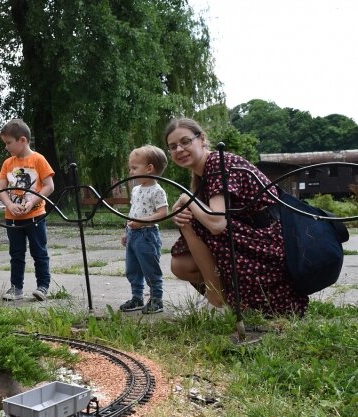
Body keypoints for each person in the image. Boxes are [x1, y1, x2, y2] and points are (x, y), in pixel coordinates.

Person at [167, 117, 308, 316]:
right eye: (173, 147)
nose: (179, 149)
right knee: (181, 263)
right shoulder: (203, 173)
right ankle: (225, 298)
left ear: (202, 139)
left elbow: (216, 223)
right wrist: (183, 210)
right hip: (255, 242)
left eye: (185, 141)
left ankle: (216, 301)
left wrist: (186, 199)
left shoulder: (217, 162)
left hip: (271, 245)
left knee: (193, 219)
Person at [0, 118, 55, 302]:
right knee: (16, 254)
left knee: (39, 252)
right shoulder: (7, 163)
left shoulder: (38, 159)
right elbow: (1, 189)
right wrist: (9, 204)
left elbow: (49, 186)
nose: (6, 147)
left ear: (23, 140)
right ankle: (16, 288)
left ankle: (43, 286)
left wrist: (31, 202)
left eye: (8, 143)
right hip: (12, 217)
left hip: (35, 215)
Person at [119, 145, 169, 314]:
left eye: (134, 168)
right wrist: (126, 230)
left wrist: (141, 222)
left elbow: (163, 213)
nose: (131, 172)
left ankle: (157, 299)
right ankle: (137, 297)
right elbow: (133, 211)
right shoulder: (136, 190)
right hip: (133, 234)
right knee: (132, 268)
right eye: (130, 168)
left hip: (147, 235)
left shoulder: (157, 191)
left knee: (150, 268)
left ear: (149, 169)